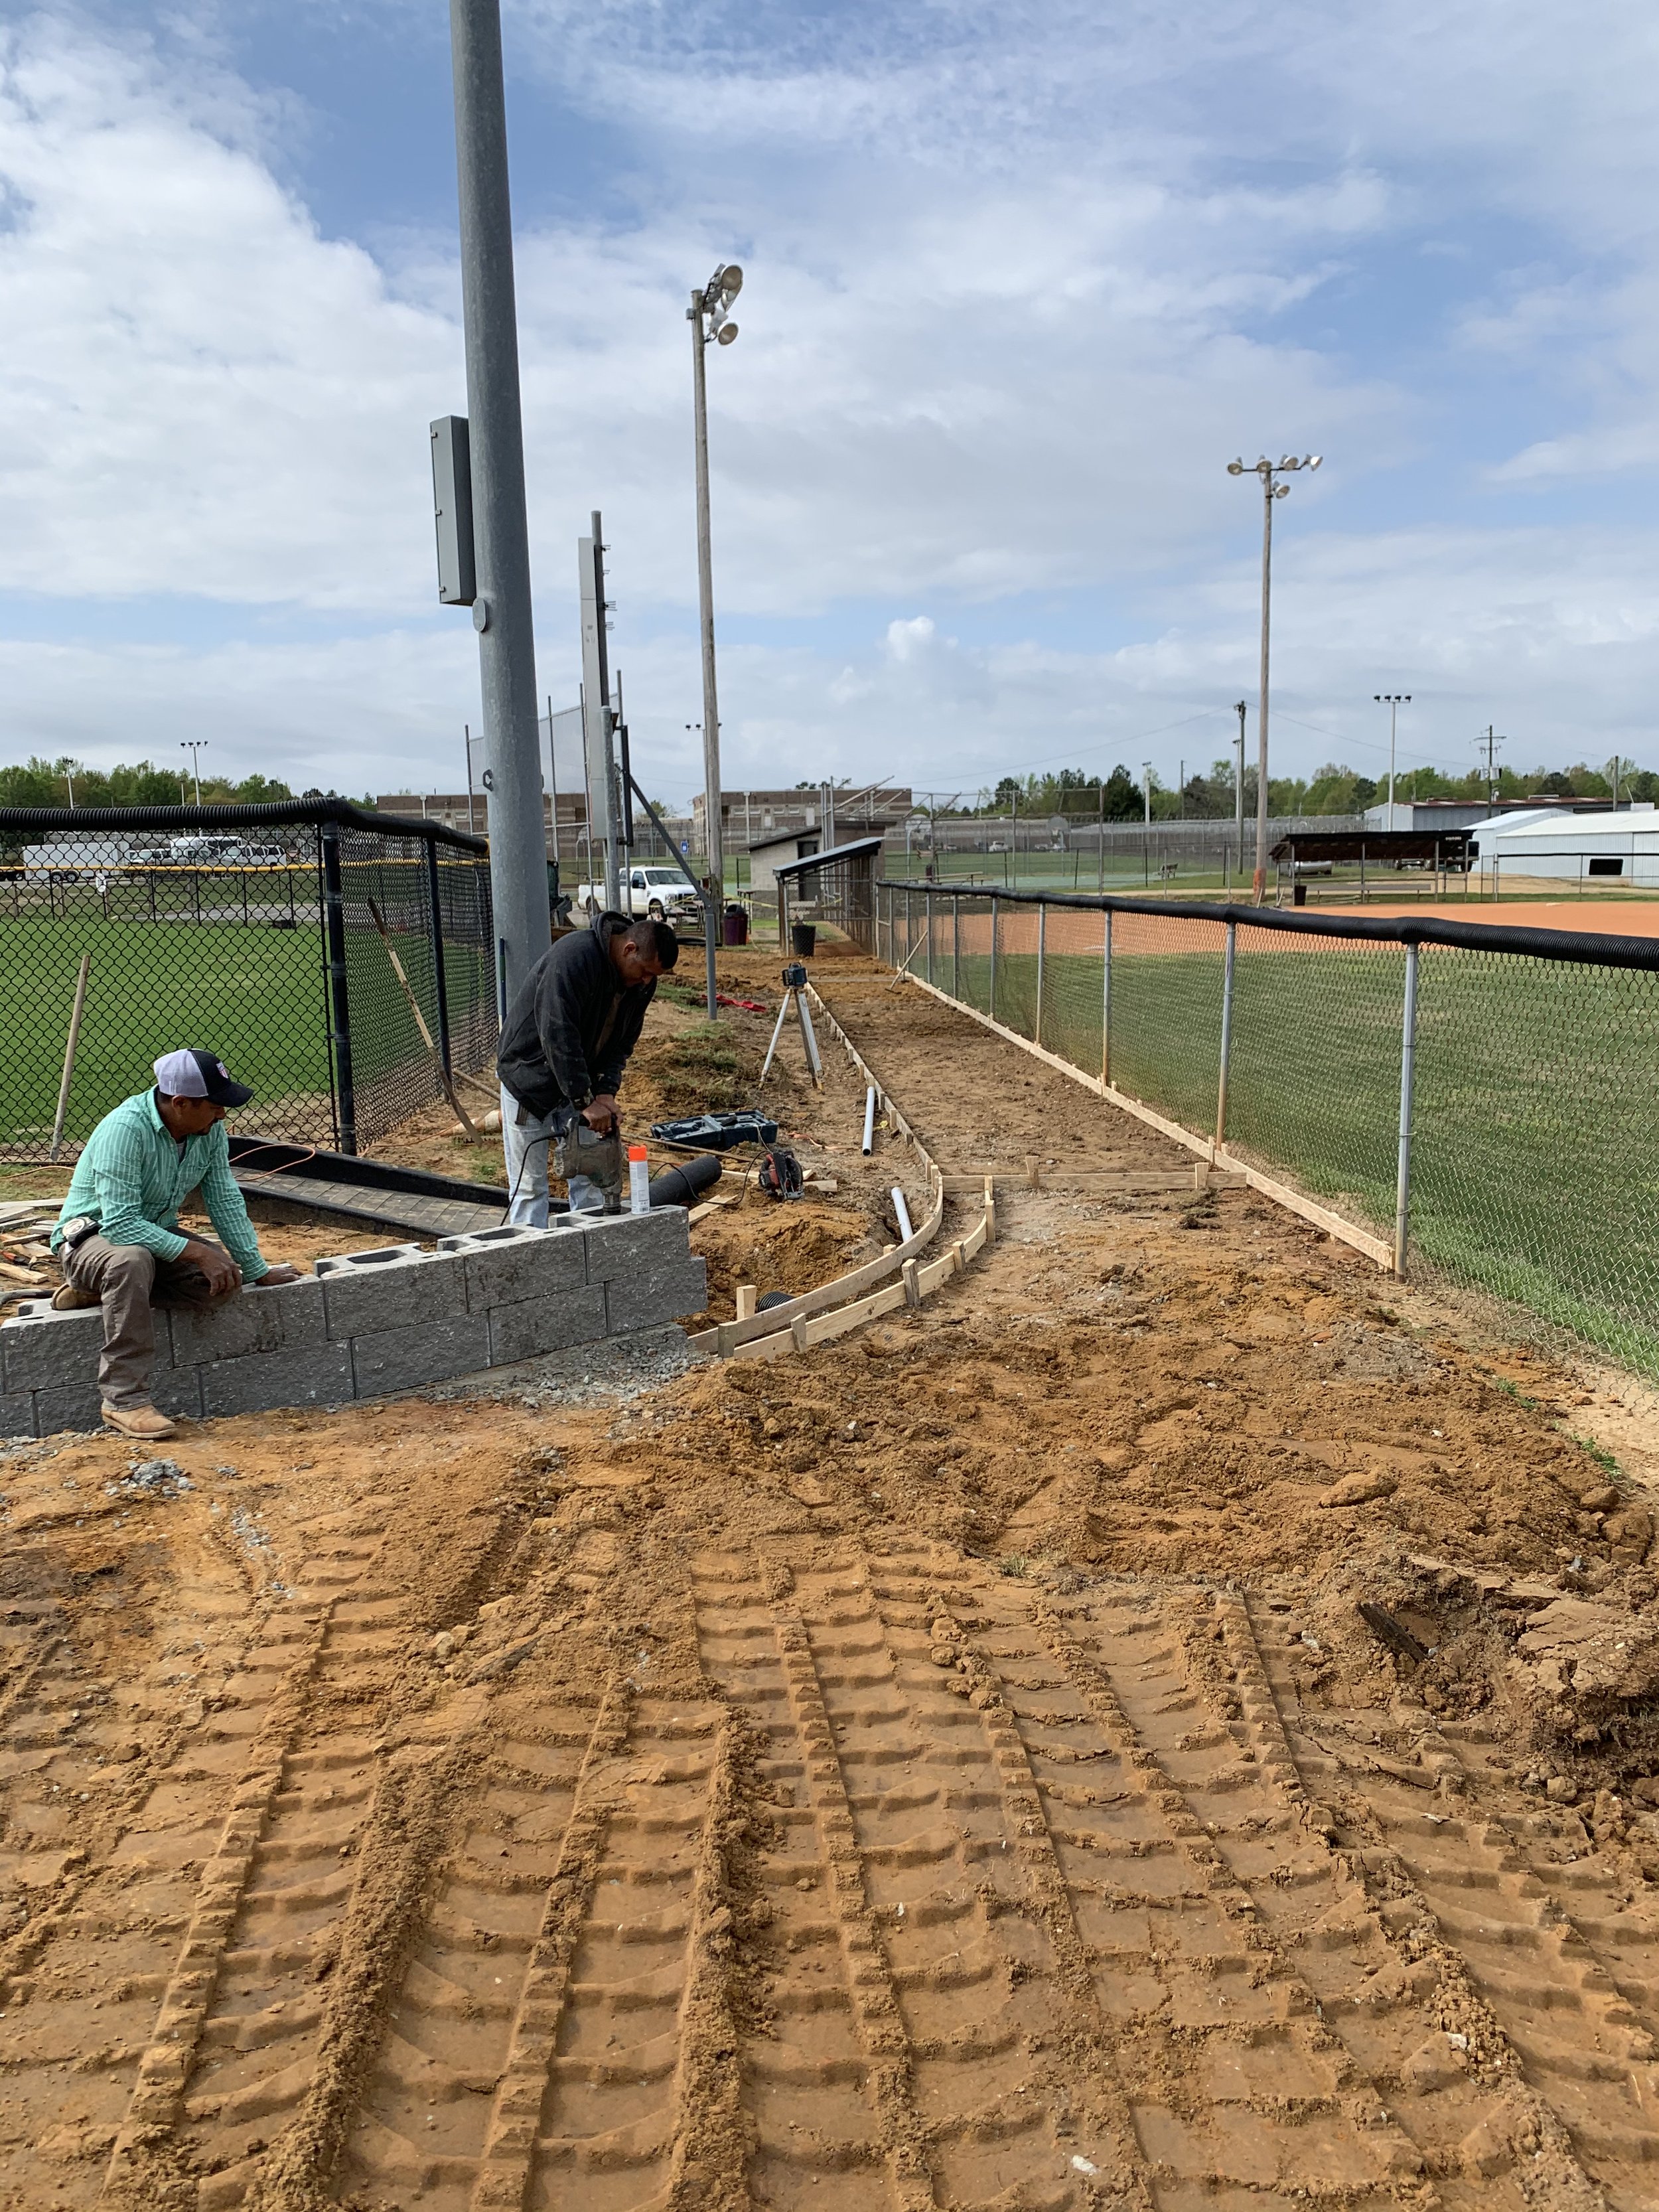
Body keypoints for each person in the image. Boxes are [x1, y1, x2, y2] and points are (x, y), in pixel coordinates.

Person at [50, 1050, 301, 1441]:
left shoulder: (207, 1131)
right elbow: (120, 1224)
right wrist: (200, 1251)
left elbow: (224, 1197)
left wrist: (256, 1269)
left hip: (148, 1238)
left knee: (221, 1283)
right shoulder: (125, 1130)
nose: (222, 1115)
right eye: (215, 1106)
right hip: (90, 1241)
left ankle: (102, 1292)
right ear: (180, 1103)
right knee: (130, 1261)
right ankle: (124, 1401)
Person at [496, 911, 676, 1226]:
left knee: (592, 1182)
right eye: (645, 972)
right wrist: (584, 1101)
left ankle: (592, 1262)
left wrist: (605, 1093)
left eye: (653, 976)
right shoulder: (572, 959)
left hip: (580, 1085)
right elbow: (557, 1034)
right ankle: (529, 1266)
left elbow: (620, 1044)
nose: (647, 981)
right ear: (629, 949)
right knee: (529, 1189)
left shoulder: (640, 985)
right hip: (530, 1081)